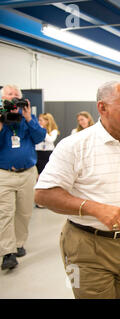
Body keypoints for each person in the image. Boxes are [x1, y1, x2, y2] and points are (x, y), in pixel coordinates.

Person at [34, 81, 120, 299]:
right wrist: (93, 208)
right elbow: (43, 194)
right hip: (85, 247)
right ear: (102, 107)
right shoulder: (75, 146)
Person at [0, 84, 46, 270]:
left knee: (24, 212)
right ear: (3, 98)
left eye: (15, 95)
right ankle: (7, 252)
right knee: (5, 213)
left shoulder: (28, 117)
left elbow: (39, 137)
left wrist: (28, 118)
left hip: (27, 173)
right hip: (4, 174)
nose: (12, 97)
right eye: (9, 94)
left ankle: (18, 244)